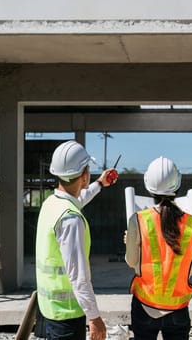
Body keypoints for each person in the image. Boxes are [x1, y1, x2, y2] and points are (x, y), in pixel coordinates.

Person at [36, 140, 116, 340]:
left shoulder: (51, 203)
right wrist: (95, 318)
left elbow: (76, 199)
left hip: (48, 310)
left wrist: (99, 184)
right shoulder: (71, 219)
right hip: (67, 317)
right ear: (84, 175)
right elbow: (79, 277)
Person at [125, 156, 192, 340]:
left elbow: (131, 261)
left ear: (148, 186)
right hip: (178, 309)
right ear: (177, 186)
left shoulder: (138, 220)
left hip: (145, 306)